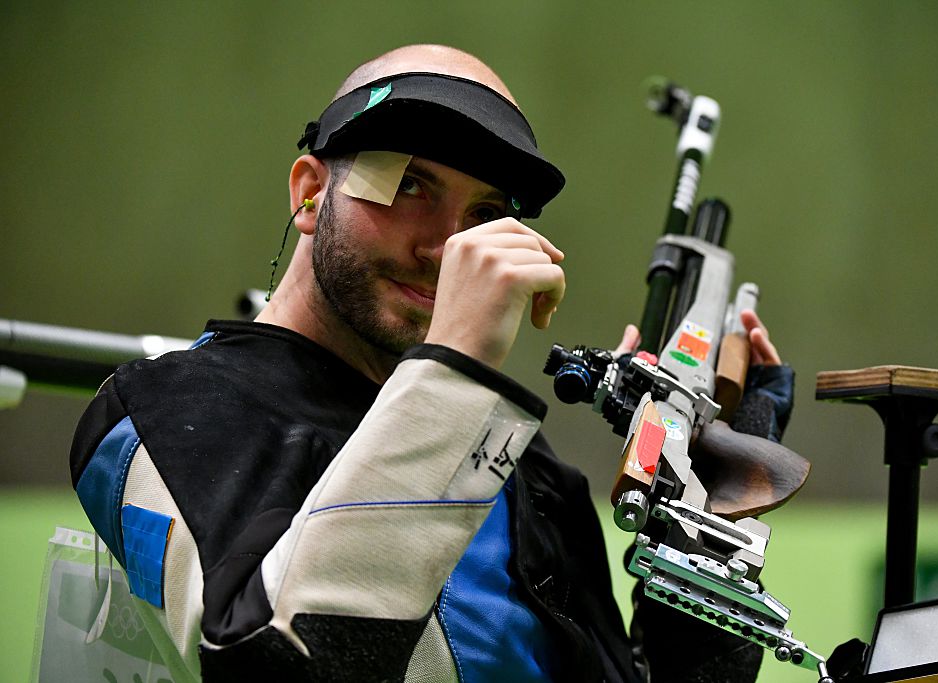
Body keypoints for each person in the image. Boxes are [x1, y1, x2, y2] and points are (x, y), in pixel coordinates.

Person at [69, 44, 793, 682]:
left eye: (484, 214)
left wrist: (706, 511)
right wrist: (453, 364)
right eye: (409, 183)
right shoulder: (166, 408)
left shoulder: (515, 461)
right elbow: (278, 662)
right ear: (310, 193)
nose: (451, 246)